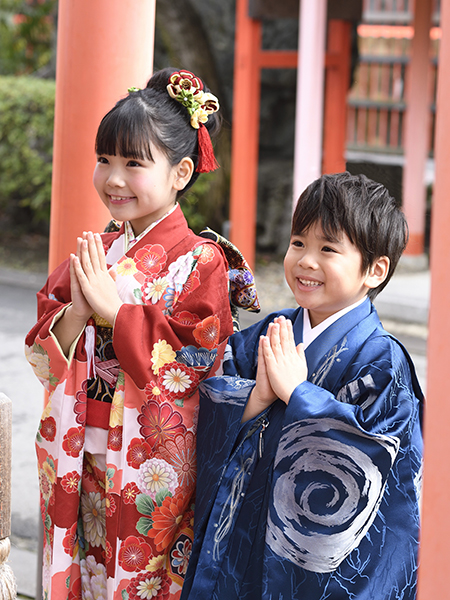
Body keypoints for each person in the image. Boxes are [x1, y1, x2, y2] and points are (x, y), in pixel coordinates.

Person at [25, 68, 258, 600]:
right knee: (85, 577)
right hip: (81, 455)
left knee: (140, 584)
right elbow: (41, 355)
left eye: (134, 163)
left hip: (149, 473)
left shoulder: (202, 261)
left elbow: (194, 365)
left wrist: (117, 313)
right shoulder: (99, 250)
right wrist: (79, 314)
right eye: (104, 160)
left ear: (181, 172)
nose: (113, 178)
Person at [181, 172, 424, 600]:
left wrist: (300, 395)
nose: (306, 261)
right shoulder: (266, 335)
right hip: (245, 537)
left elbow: (385, 467)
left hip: (314, 574)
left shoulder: (382, 361)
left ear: (375, 269)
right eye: (298, 243)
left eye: (328, 249)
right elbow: (214, 403)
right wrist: (255, 399)